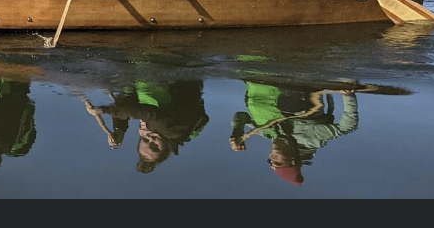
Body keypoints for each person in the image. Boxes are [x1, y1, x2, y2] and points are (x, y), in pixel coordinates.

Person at [228, 81, 359, 186]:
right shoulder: (311, 139)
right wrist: (348, 96)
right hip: (306, 85)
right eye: (278, 163)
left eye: (270, 161)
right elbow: (347, 127)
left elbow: (241, 115)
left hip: (280, 81)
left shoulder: (268, 133)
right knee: (291, 105)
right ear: (292, 160)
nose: (272, 160)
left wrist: (237, 130)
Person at [86, 80, 208, 174]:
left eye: (144, 140)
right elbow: (147, 113)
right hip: (176, 78)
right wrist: (103, 110)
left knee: (127, 95)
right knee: (147, 98)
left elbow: (128, 105)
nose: (151, 139)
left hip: (177, 83)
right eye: (155, 147)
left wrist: (120, 129)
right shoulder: (170, 131)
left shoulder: (165, 131)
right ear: (166, 148)